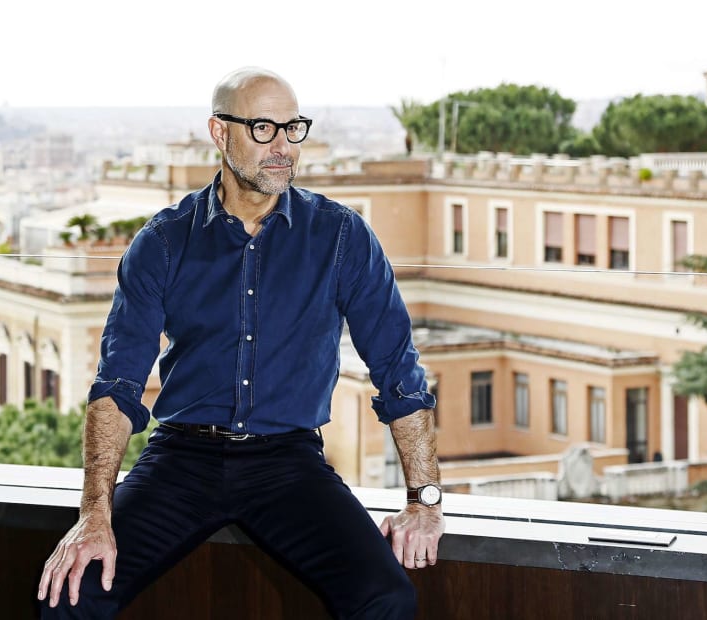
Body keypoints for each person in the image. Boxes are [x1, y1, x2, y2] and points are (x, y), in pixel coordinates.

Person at [37, 67, 444, 619]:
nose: (282, 146)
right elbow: (117, 385)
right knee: (73, 594)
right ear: (219, 132)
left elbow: (399, 370)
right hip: (181, 459)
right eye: (262, 128)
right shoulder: (163, 241)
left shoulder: (341, 237)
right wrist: (93, 515)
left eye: (292, 128)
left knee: (387, 599)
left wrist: (424, 501)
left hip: (289, 463)